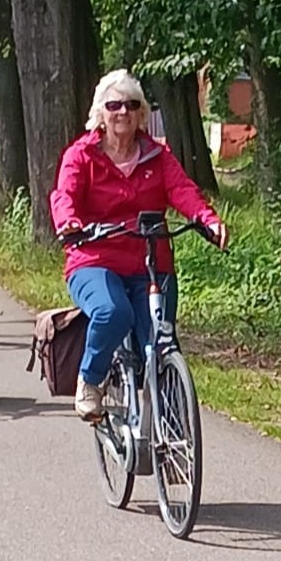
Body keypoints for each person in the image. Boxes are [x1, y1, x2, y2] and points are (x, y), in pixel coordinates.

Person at [50, 68, 227, 420]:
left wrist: (207, 219)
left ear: (142, 113)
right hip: (95, 259)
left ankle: (173, 433)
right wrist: (69, 222)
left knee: (160, 344)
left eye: (132, 105)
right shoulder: (81, 155)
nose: (123, 112)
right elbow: (64, 194)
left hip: (151, 262)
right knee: (113, 312)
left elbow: (182, 190)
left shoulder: (157, 156)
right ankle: (91, 381)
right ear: (100, 112)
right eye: (114, 105)